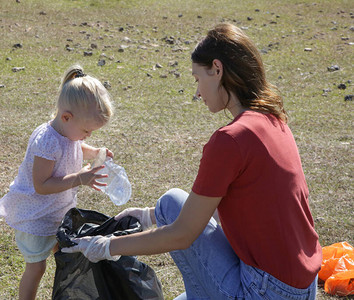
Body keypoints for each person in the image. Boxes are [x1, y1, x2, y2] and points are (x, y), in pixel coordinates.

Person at [62, 24, 323, 300]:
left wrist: (108, 246)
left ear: (217, 69)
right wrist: (149, 215)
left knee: (175, 215)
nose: (197, 92)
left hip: (266, 291)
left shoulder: (230, 140)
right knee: (171, 202)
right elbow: (239, 207)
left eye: (198, 78)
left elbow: (182, 235)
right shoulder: (271, 119)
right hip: (303, 284)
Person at [0, 65, 114, 300]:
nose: (88, 136)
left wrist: (95, 151)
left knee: (64, 254)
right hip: (35, 215)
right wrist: (79, 178)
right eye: (87, 131)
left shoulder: (68, 132)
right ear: (66, 116)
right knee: (36, 267)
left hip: (56, 212)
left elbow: (75, 145)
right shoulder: (47, 142)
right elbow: (41, 185)